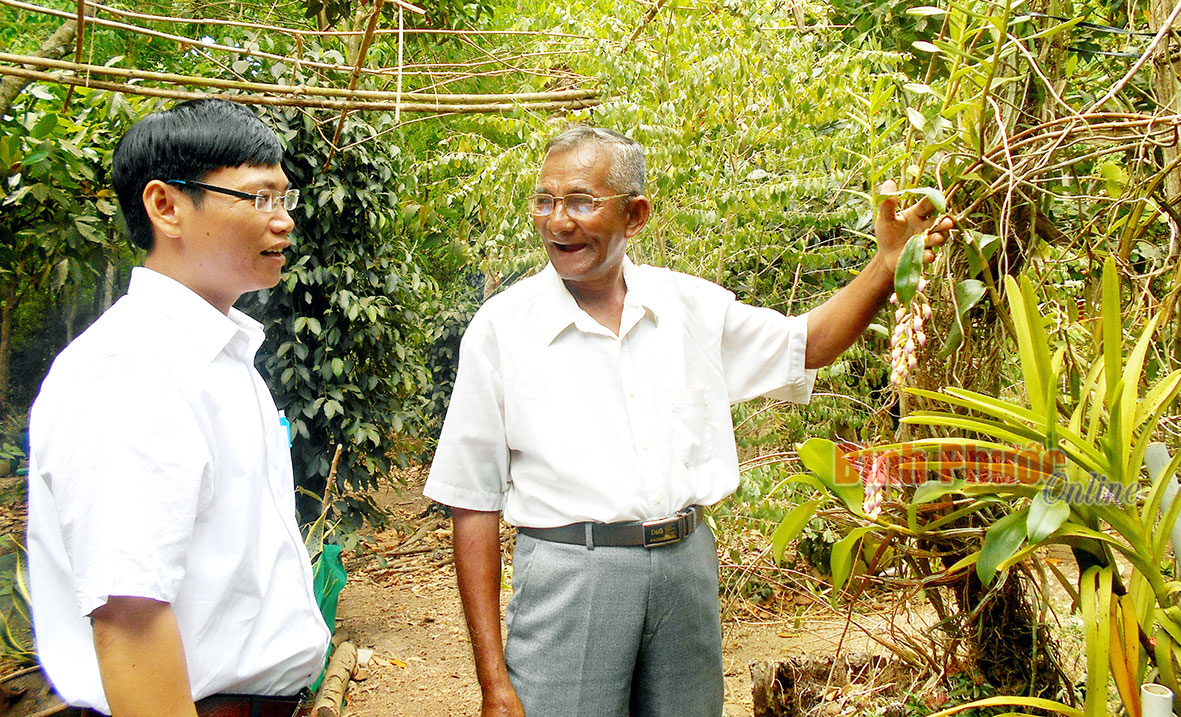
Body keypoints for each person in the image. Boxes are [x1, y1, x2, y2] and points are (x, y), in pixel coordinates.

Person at [424, 126, 952, 717]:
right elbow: (472, 503)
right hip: (571, 577)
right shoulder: (501, 330)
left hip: (684, 571)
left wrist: (886, 265)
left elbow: (809, 345)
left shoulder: (688, 308)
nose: (557, 221)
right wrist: (493, 683)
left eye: (580, 201)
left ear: (636, 214)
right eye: (544, 201)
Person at [26, 99, 331, 717]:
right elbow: (130, 619)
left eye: (284, 199)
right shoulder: (129, 370)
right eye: (258, 198)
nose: (283, 222)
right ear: (166, 206)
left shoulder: (221, 356)